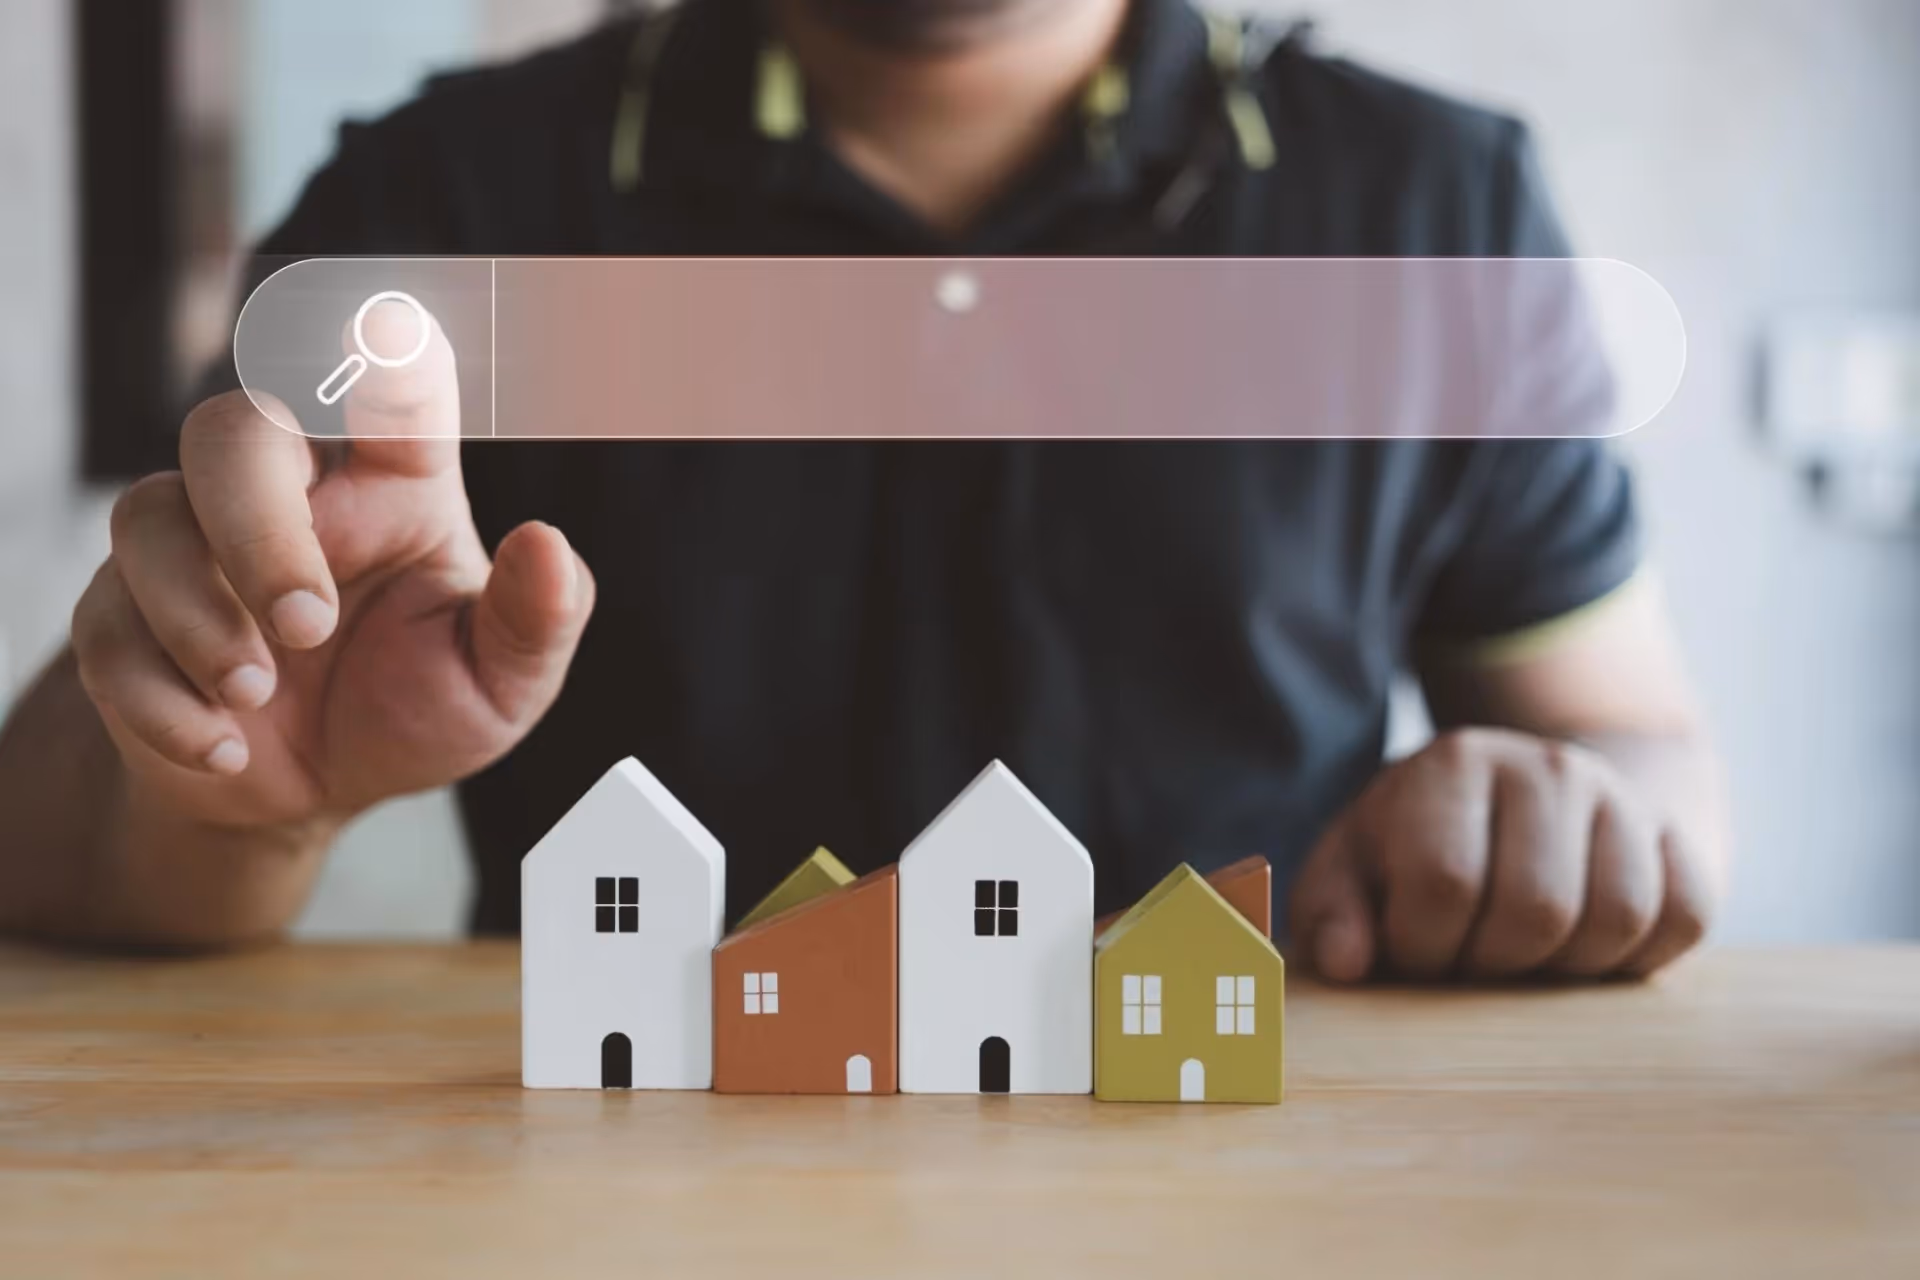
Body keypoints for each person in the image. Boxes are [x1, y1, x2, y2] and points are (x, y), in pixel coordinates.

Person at [0, 0, 1727, 982]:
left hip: (1254, 1181)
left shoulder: (1433, 205)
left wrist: (1565, 812)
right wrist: (246, 783)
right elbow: (44, 843)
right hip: (603, 1212)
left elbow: (1647, 760)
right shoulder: (440, 193)